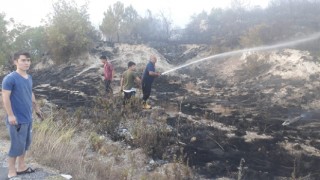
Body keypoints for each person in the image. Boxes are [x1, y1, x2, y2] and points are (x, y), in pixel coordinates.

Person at [2, 51, 42, 179]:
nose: (27, 63)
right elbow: (5, 98)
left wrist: (36, 108)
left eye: (28, 60)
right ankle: (11, 171)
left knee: (25, 144)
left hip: (28, 117)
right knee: (16, 145)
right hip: (16, 119)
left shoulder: (29, 77)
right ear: (15, 62)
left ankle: (21, 166)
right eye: (23, 60)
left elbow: (30, 93)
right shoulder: (10, 78)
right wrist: (10, 115)